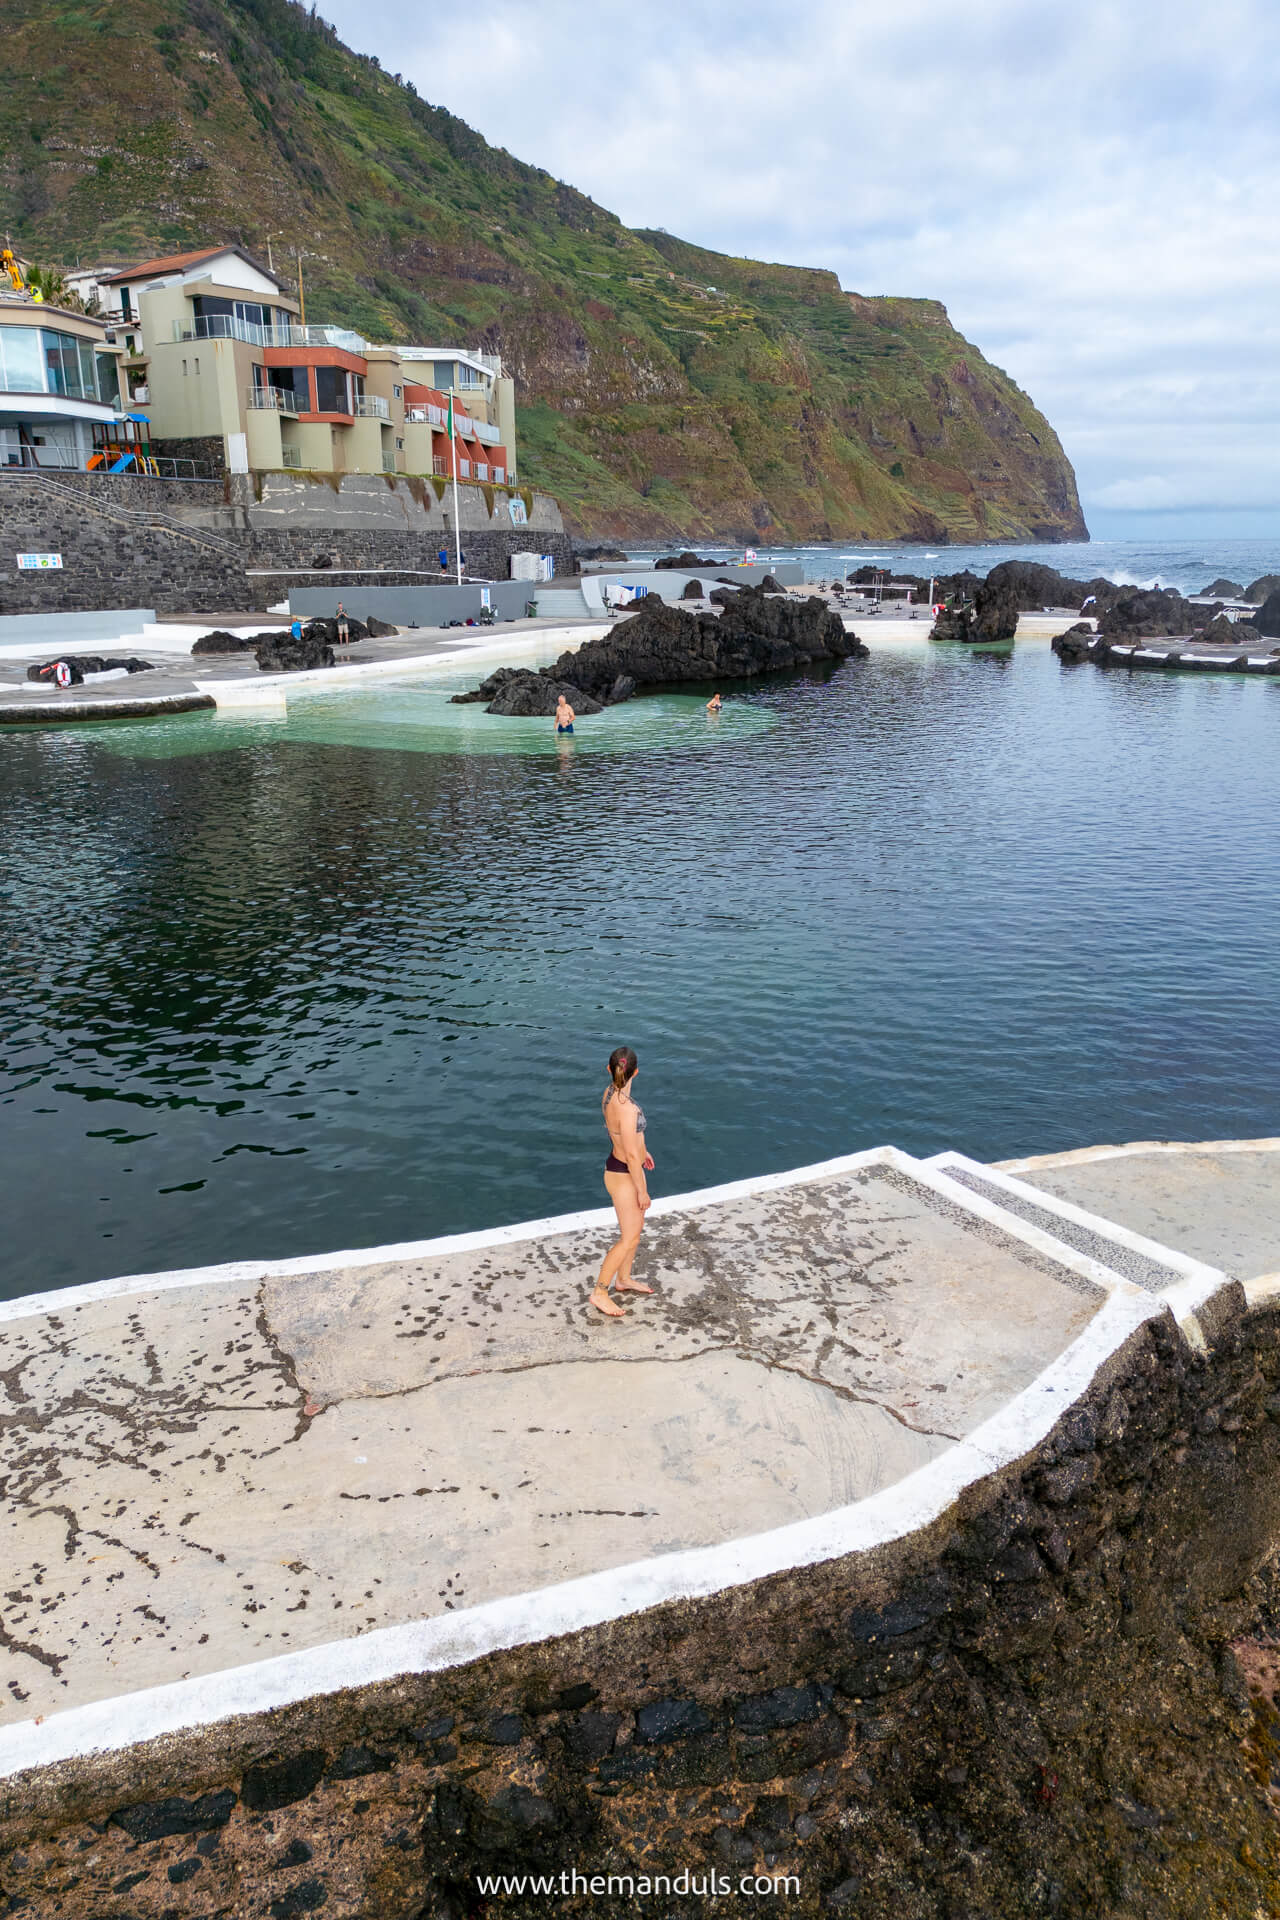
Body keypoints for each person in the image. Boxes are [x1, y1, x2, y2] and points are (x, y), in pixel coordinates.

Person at [592, 1046, 655, 1317]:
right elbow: (629, 1154)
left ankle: (624, 1279)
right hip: (625, 1174)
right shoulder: (627, 1109)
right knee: (628, 1237)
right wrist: (642, 1191)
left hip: (622, 1167)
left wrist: (644, 1152)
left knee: (634, 1232)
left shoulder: (608, 1094)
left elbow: (621, 1135)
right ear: (636, 1072)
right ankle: (599, 1292)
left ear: (609, 1069)